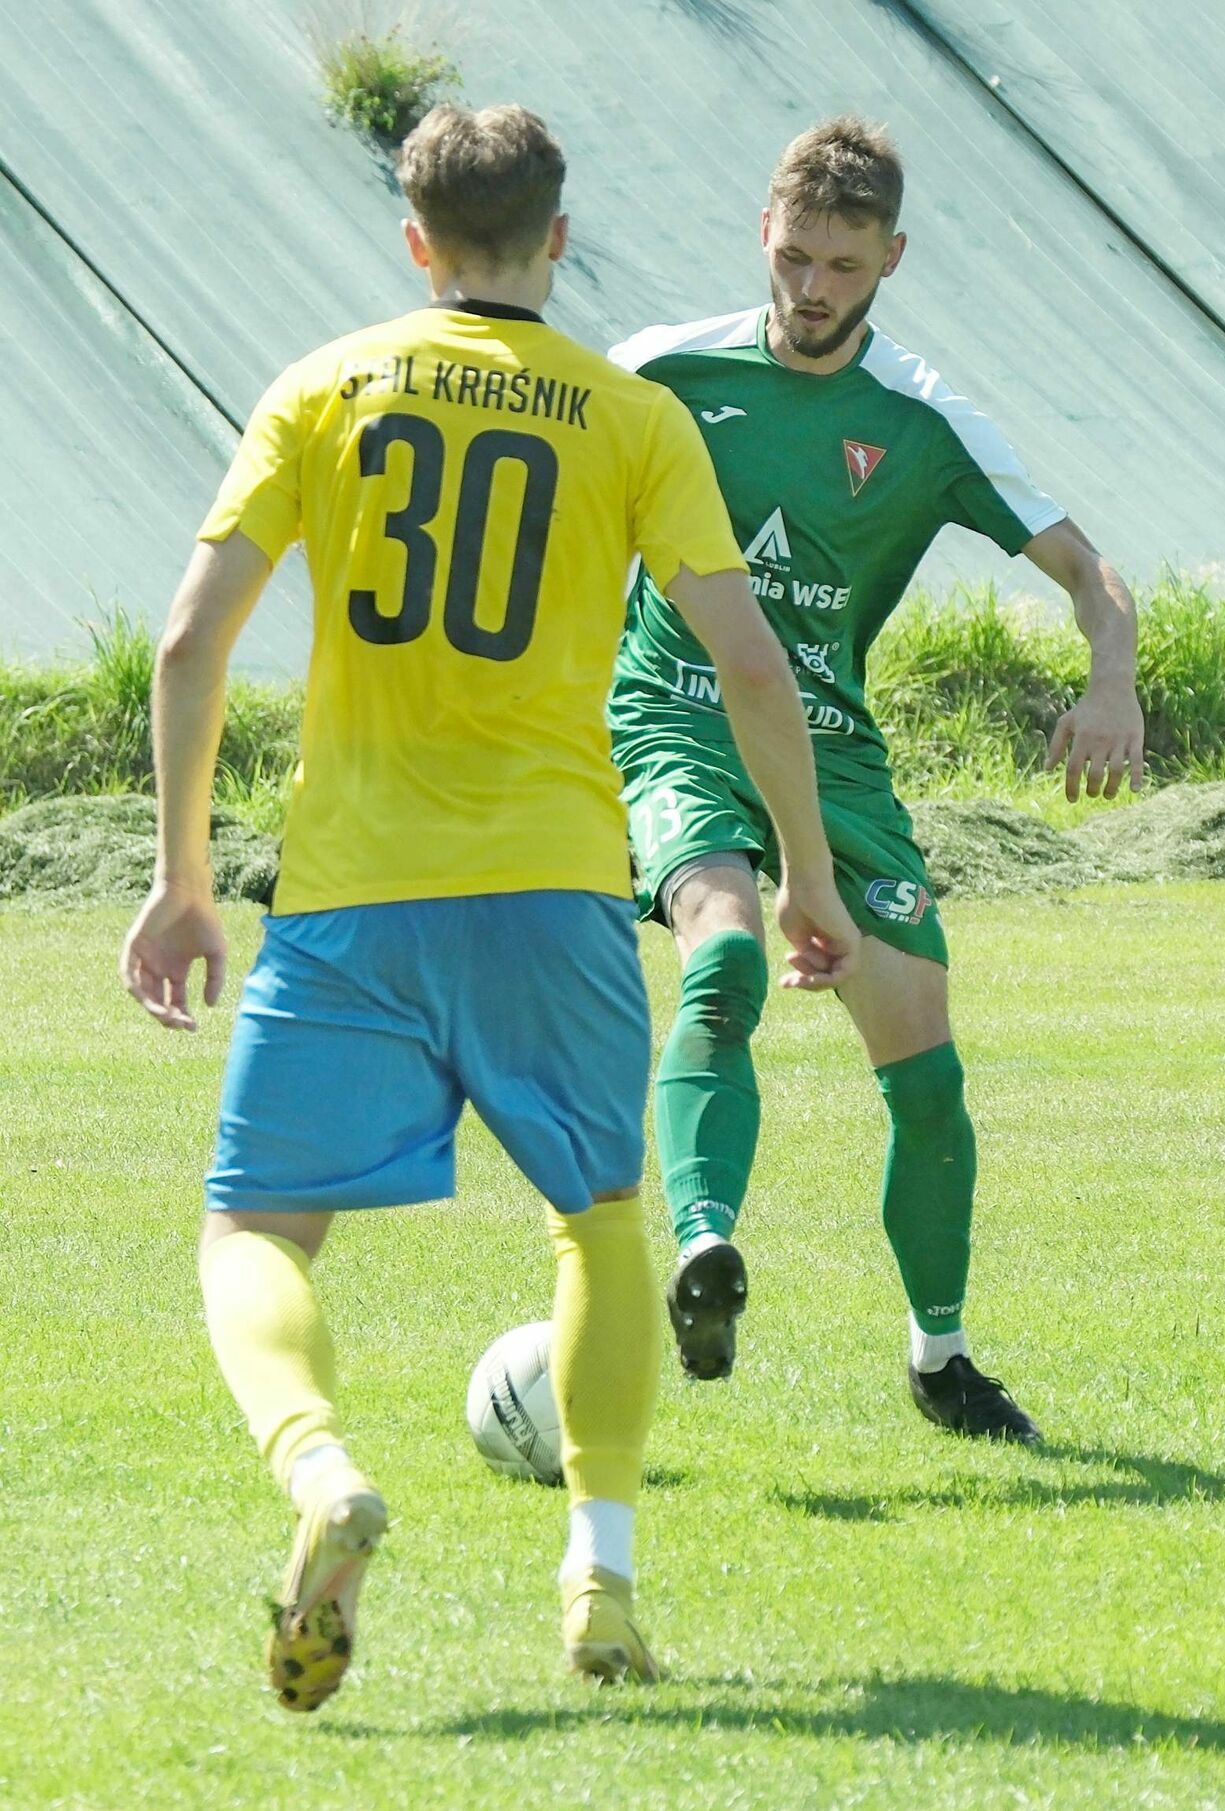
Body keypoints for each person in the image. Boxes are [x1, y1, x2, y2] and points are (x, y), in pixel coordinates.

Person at [119, 103, 859, 1709]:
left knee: (255, 1227)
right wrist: (802, 870)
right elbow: (745, 662)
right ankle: (599, 1574)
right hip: (553, 887)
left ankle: (322, 1479)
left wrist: (182, 878)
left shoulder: (323, 386)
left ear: (413, 240)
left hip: (351, 895)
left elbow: (189, 645)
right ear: (560, 238)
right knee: (597, 1222)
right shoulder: (628, 415)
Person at [608, 116, 1145, 1436]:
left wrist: (1113, 677)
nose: (811, 290)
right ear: (764, 236)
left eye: (843, 267)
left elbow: (1092, 575)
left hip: (836, 758)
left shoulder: (923, 419)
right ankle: (703, 1252)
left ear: (891, 258)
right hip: (677, 719)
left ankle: (940, 1359)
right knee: (724, 954)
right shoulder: (657, 372)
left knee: (926, 1071)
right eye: (795, 258)